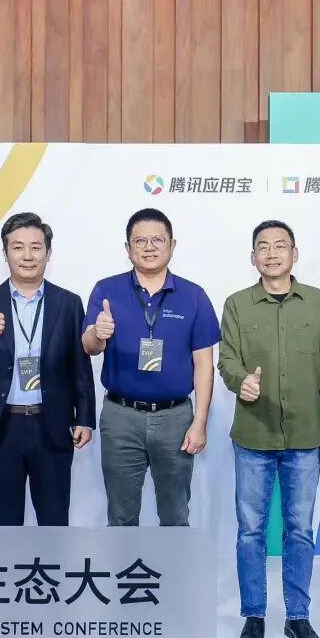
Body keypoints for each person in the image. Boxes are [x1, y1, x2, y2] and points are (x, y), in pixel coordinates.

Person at [217, 220, 320, 638]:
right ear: (253, 257)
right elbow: (227, 360)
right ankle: (254, 616)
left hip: (306, 437)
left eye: (280, 246)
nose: (271, 254)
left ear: (295, 254)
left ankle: (298, 617)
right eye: (263, 247)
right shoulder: (237, 304)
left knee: (300, 530)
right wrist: (241, 382)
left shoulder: (319, 302)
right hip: (253, 436)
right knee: (250, 531)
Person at [0, 212, 95, 525]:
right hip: (1, 426)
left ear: (48, 253)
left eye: (35, 247)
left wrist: (84, 418)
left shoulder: (68, 303)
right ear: (5, 253)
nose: (27, 256)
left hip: (52, 425)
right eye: (17, 247)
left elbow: (79, 365)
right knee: (3, 522)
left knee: (54, 520)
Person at [81, 208, 220, 526]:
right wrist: (98, 333)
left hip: (175, 419)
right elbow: (89, 346)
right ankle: (125, 562)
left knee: (175, 513)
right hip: (121, 417)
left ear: (172, 245)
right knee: (121, 515)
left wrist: (200, 422)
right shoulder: (107, 290)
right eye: (140, 241)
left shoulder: (193, 296)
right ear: (127, 248)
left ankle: (175, 563)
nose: (149, 247)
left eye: (157, 240)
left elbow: (204, 364)